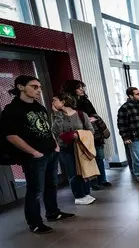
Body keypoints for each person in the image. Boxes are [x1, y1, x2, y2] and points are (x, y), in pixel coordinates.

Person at [1, 76, 74, 234]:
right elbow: (11, 136)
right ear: (20, 87)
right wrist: (33, 152)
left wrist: (55, 145)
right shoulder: (12, 110)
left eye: (39, 87)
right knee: (35, 190)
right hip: (33, 157)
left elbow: (47, 129)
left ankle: (53, 212)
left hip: (50, 152)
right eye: (34, 86)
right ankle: (34, 222)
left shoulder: (39, 107)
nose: (38, 90)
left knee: (51, 185)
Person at [62, 79, 112, 190]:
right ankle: (92, 183)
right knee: (89, 158)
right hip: (82, 134)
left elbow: (93, 113)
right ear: (72, 89)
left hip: (94, 131)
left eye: (82, 87)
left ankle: (102, 180)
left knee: (99, 156)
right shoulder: (69, 104)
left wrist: (93, 118)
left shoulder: (85, 100)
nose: (82, 89)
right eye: (79, 87)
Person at [51, 92, 97, 205]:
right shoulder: (56, 116)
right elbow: (56, 131)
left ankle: (86, 193)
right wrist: (57, 115)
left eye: (55, 100)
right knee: (73, 172)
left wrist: (79, 134)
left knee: (84, 170)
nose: (52, 103)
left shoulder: (81, 114)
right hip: (66, 148)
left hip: (81, 147)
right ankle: (79, 196)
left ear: (63, 101)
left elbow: (91, 130)